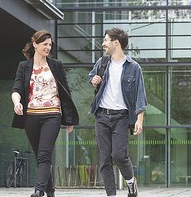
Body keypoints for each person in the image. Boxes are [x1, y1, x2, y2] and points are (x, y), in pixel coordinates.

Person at [11, 30, 79, 197]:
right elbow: (17, 88)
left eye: (50, 44)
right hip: (31, 116)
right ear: (35, 44)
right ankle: (50, 191)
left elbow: (66, 92)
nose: (48, 47)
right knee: (41, 157)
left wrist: (69, 118)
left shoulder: (56, 65)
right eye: (45, 44)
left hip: (52, 115)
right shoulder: (24, 66)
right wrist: (16, 102)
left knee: (44, 154)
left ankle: (38, 191)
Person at [88, 27, 147, 197]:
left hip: (121, 117)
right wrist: (94, 80)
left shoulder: (133, 67)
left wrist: (139, 119)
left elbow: (140, 94)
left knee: (119, 155)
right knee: (105, 159)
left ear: (116, 42)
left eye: (106, 40)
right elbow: (91, 77)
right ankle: (111, 195)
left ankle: (131, 183)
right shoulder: (102, 62)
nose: (103, 43)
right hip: (101, 115)